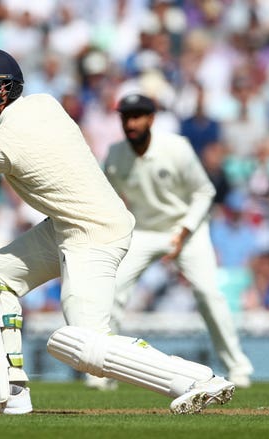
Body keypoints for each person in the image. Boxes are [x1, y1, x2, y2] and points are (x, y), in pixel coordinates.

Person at [0, 48, 236, 415]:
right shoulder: (45, 103)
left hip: (94, 233)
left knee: (81, 344)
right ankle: (10, 390)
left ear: (1, 89)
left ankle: (195, 379)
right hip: (67, 225)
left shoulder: (0, 146)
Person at [103, 93, 254, 389]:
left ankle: (238, 368)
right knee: (112, 290)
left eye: (137, 116)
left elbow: (204, 192)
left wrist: (183, 231)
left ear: (151, 119)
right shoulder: (115, 155)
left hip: (188, 229)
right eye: (126, 117)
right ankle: (104, 371)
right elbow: (107, 198)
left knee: (209, 294)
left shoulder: (177, 148)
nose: (131, 123)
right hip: (144, 231)